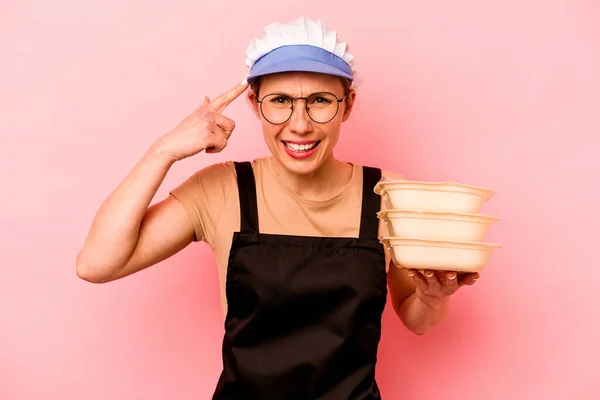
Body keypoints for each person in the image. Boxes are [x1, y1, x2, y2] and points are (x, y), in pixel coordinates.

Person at [76, 17, 480, 399]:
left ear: (348, 104)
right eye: (280, 101)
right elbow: (96, 264)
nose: (299, 124)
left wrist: (431, 297)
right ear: (254, 104)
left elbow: (416, 319)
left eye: (320, 101)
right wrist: (163, 151)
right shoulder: (222, 189)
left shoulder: (389, 194)